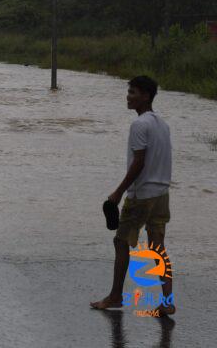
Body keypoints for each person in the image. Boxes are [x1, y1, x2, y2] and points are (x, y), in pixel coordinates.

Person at [91, 76, 174, 315]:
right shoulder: (162, 124)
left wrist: (118, 192)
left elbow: (138, 163)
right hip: (161, 193)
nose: (129, 97)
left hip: (141, 195)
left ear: (146, 96)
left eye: (133, 92)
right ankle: (167, 303)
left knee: (120, 242)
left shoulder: (139, 125)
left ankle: (116, 296)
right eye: (129, 92)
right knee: (158, 248)